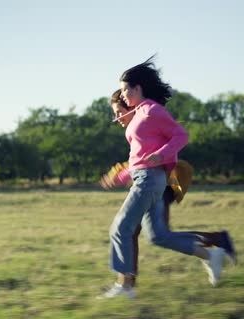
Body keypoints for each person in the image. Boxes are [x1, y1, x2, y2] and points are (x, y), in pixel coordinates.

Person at [97, 57, 236, 299]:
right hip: (147, 178)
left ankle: (125, 287)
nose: (122, 95)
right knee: (158, 236)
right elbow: (137, 159)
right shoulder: (140, 113)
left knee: (120, 227)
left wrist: (159, 155)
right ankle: (211, 255)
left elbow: (181, 136)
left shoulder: (152, 110)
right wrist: (119, 177)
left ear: (137, 88)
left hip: (150, 180)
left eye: (124, 90)